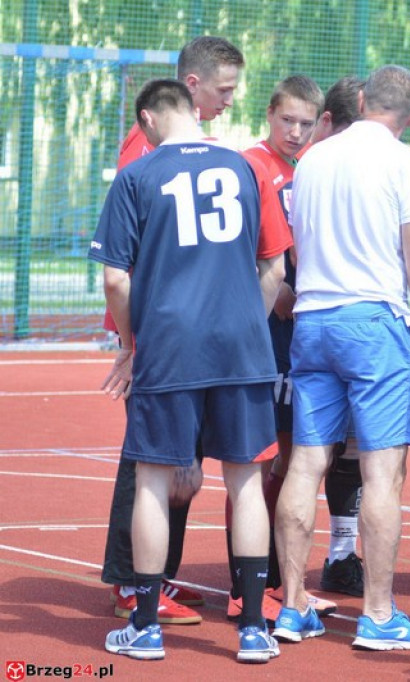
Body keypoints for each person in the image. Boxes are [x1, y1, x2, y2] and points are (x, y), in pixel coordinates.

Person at [91, 79, 288, 663]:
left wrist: (131, 343)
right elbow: (273, 264)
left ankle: (145, 626)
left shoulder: (138, 175)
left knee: (153, 479)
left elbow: (114, 278)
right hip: (241, 349)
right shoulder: (247, 167)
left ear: (149, 118)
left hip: (171, 345)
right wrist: (244, 326)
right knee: (246, 481)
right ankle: (254, 627)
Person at [274, 64, 410, 650]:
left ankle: (292, 604)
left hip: (313, 318)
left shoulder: (315, 158)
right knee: (383, 472)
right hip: (374, 321)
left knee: (306, 461)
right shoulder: (404, 162)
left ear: (359, 99)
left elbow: (298, 245)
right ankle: (377, 613)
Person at [100, 35, 245, 627]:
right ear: (192, 86)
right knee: (153, 456)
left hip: (174, 323)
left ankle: (153, 577)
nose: (229, 102)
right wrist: (134, 341)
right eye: (224, 90)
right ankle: (135, 583)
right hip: (159, 327)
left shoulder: (192, 148)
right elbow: (131, 250)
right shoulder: (151, 146)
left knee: (177, 457)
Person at [238, 75, 347, 623]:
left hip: (302, 331)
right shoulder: (248, 165)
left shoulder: (314, 168)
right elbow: (234, 247)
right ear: (270, 114)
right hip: (261, 333)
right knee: (255, 458)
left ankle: (284, 580)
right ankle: (246, 583)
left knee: (297, 452)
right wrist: (274, 287)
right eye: (288, 121)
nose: (297, 132)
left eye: (307, 123)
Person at [308, 76, 370, 600]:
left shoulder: (310, 167)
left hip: (310, 321)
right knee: (304, 456)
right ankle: (266, 579)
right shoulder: (380, 166)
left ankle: (338, 556)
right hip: (361, 324)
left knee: (334, 452)